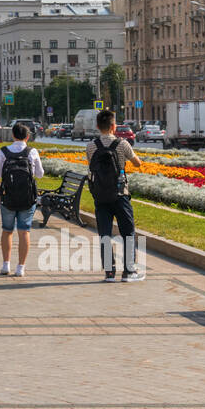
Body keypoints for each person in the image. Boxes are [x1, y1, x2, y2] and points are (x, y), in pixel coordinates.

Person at [86, 109, 143, 282]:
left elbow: (91, 166)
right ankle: (129, 272)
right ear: (113, 126)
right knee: (128, 232)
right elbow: (137, 163)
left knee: (104, 233)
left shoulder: (91, 146)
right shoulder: (122, 144)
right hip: (120, 195)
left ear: (97, 126)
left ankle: (109, 273)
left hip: (100, 196)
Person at [0, 122, 42, 276]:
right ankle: (20, 267)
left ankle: (5, 265)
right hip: (27, 198)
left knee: (7, 231)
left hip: (8, 197)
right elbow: (40, 174)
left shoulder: (4, 152)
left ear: (13, 135)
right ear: (27, 137)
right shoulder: (32, 152)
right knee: (24, 231)